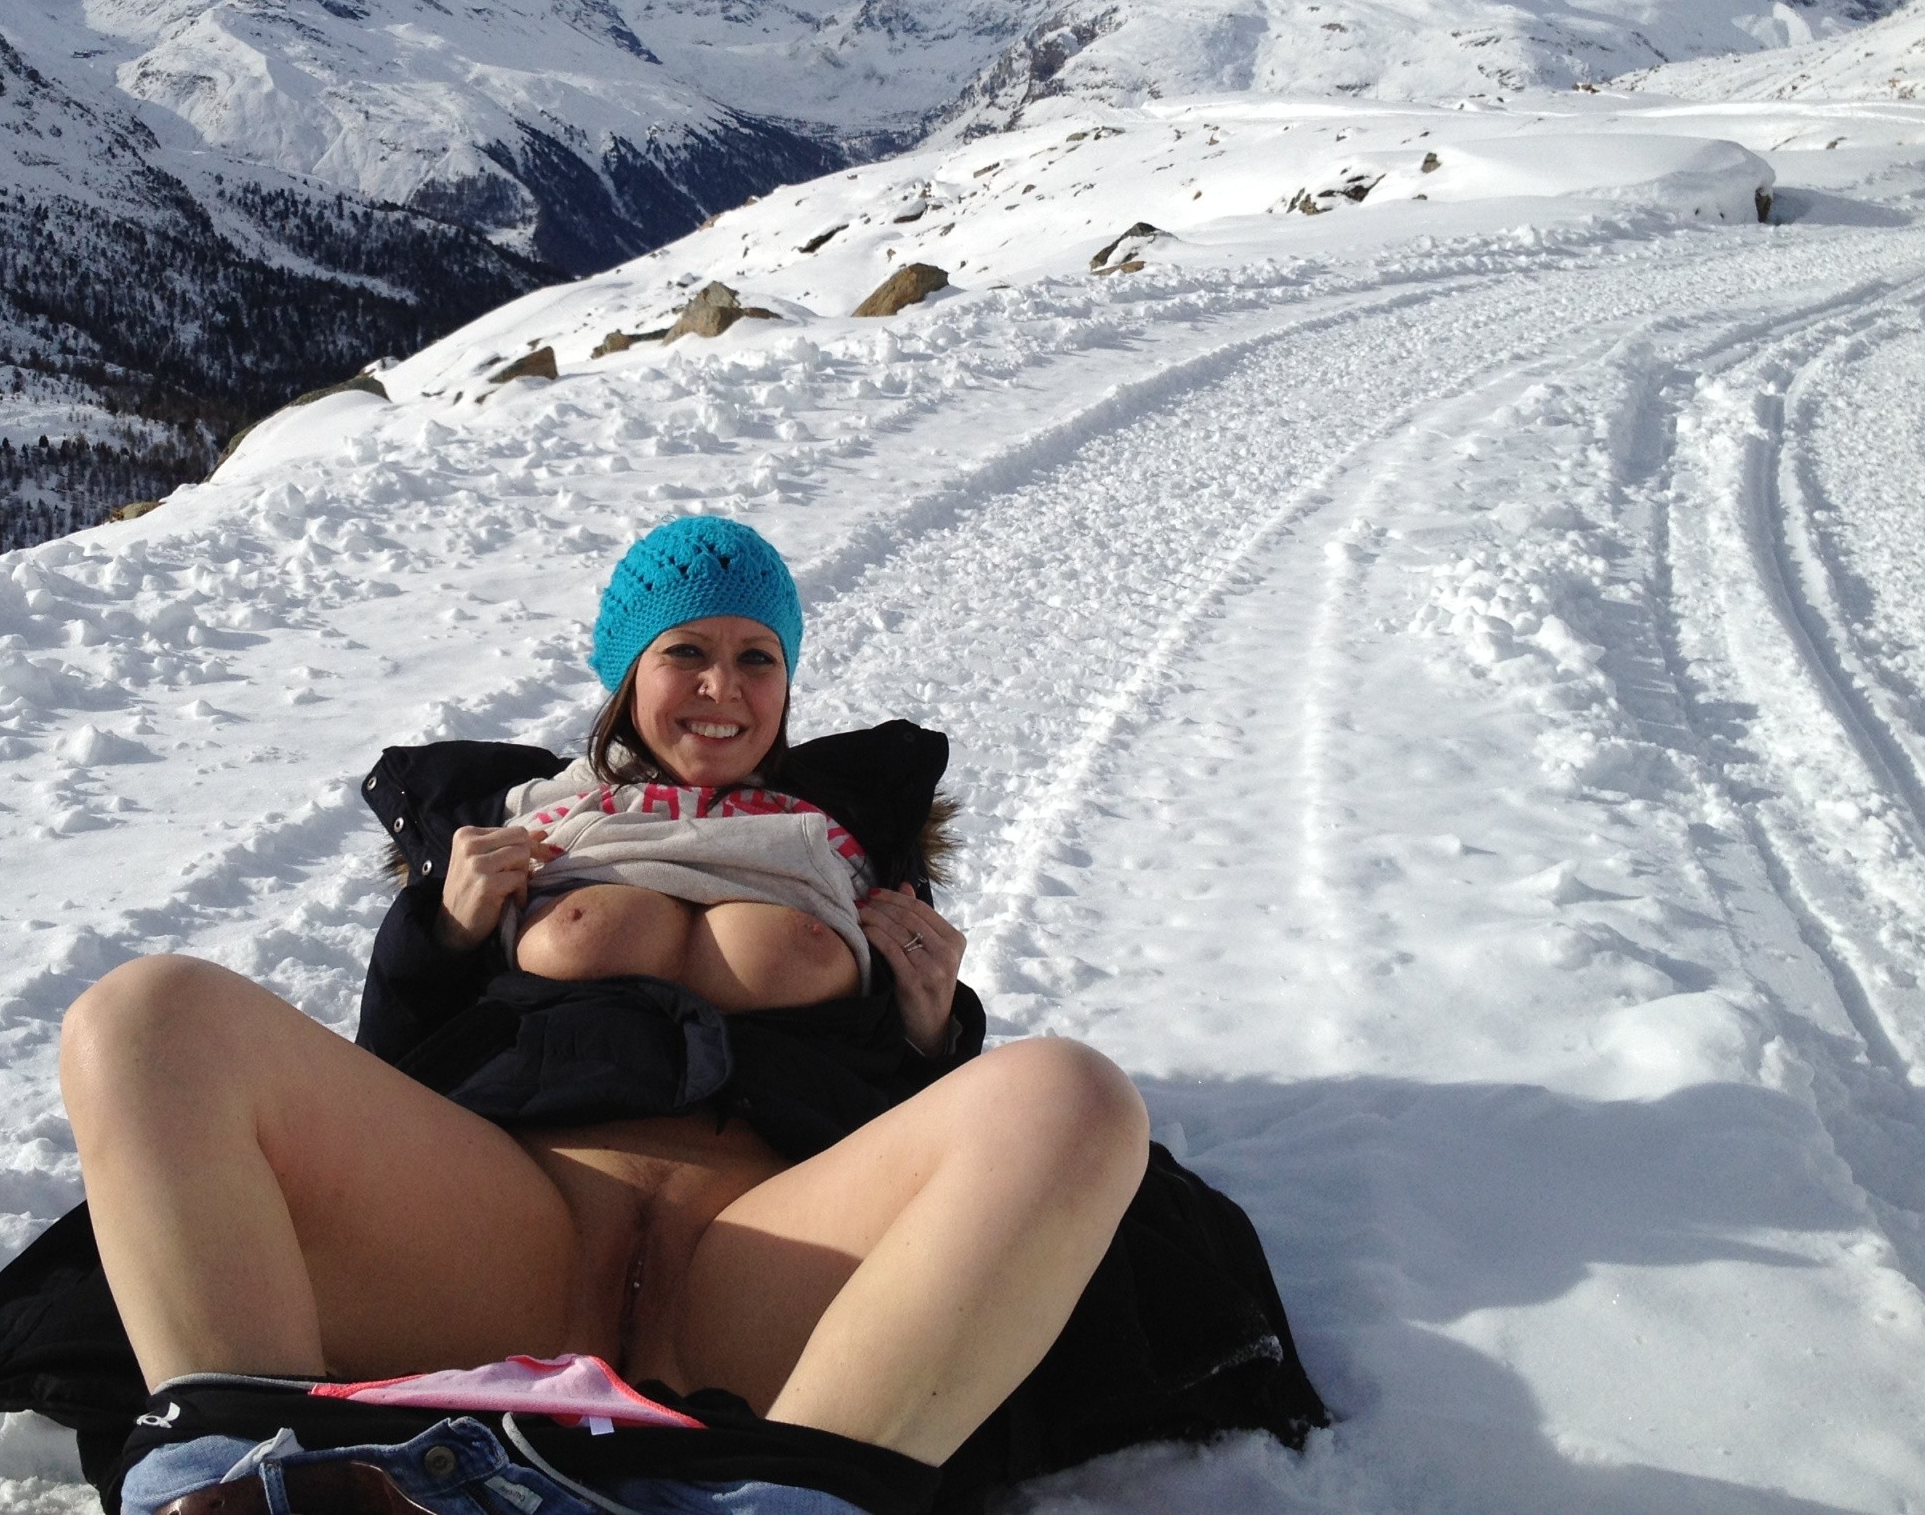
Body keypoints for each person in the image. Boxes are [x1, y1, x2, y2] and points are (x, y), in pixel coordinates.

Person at [57, 517, 1153, 1491]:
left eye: (757, 657)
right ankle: (237, 1477)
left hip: (763, 1278)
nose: (723, 688)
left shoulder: (848, 849)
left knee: (1072, 1092)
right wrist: (439, 930)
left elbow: (917, 1142)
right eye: (686, 652)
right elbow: (394, 1064)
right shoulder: (527, 823)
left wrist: (931, 1029)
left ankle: (795, 1492)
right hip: (495, 1247)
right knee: (147, 1012)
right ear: (626, 667)